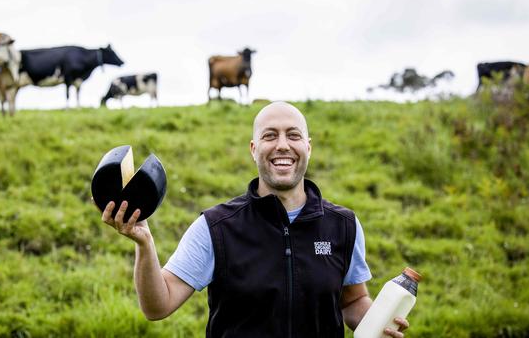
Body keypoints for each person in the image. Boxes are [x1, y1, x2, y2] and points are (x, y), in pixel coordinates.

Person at [100, 101, 409, 337]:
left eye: (293, 135)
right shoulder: (216, 227)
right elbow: (157, 306)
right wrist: (144, 243)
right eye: (270, 136)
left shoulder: (344, 226)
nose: (283, 145)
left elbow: (352, 302)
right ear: (254, 149)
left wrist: (379, 321)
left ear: (308, 147)